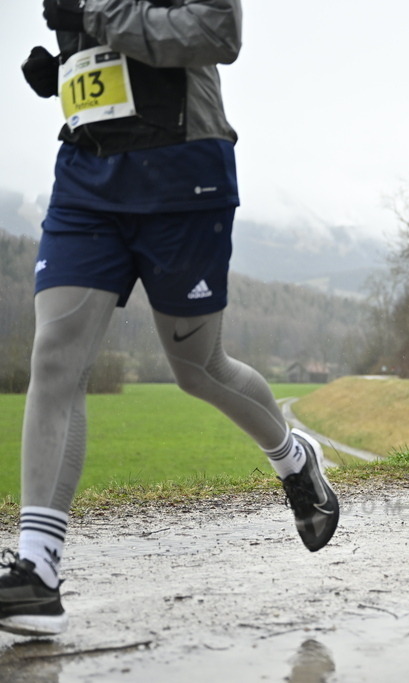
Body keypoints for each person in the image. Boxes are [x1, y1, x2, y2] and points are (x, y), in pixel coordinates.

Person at [1, 0, 339, 637]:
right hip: (87, 174)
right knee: (55, 357)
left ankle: (294, 460)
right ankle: (38, 571)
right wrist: (69, 70)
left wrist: (96, 18)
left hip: (183, 170)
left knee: (197, 367)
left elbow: (218, 30)